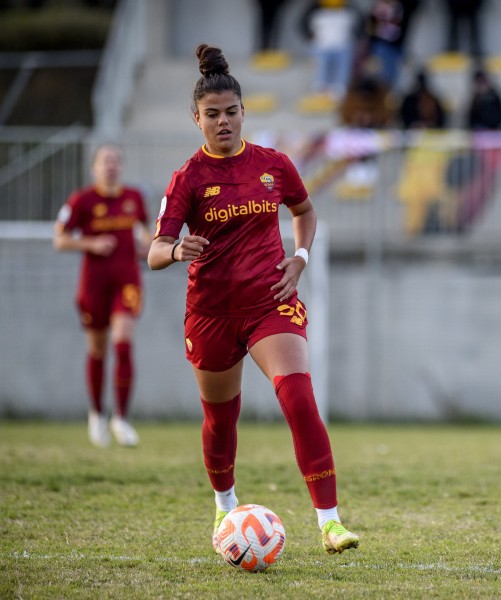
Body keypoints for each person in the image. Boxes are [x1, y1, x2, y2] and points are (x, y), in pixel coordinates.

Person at [147, 44, 360, 555]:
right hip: (211, 313)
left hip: (270, 302)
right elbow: (153, 251)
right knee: (221, 418)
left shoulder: (273, 165)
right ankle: (225, 507)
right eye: (212, 115)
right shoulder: (188, 179)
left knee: (299, 397)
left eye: (232, 112)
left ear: (245, 113)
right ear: (196, 118)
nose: (223, 122)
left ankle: (330, 523)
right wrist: (177, 249)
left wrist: (301, 257)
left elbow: (304, 212)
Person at [54, 143, 151, 448]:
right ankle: (97, 414)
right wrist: (91, 244)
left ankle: (121, 419)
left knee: (123, 345)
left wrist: (147, 246)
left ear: (120, 167)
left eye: (115, 161)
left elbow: (147, 233)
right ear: (94, 167)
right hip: (94, 284)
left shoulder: (134, 198)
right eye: (105, 161)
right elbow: (60, 239)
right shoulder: (82, 200)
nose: (111, 166)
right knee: (98, 350)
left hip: (127, 281)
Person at [298, 0, 362, 100]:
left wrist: (356, 36)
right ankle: (320, 89)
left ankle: (340, 89)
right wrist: (309, 36)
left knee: (342, 68)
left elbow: (360, 23)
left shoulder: (349, 9)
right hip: (322, 45)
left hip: (343, 45)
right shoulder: (315, 9)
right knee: (321, 68)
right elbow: (303, 23)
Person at [366, 0, 420, 90]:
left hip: (397, 45)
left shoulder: (403, 5)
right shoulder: (380, 5)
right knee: (381, 74)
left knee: (397, 74)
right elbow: (372, 23)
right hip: (381, 44)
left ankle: (389, 92)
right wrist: (371, 43)